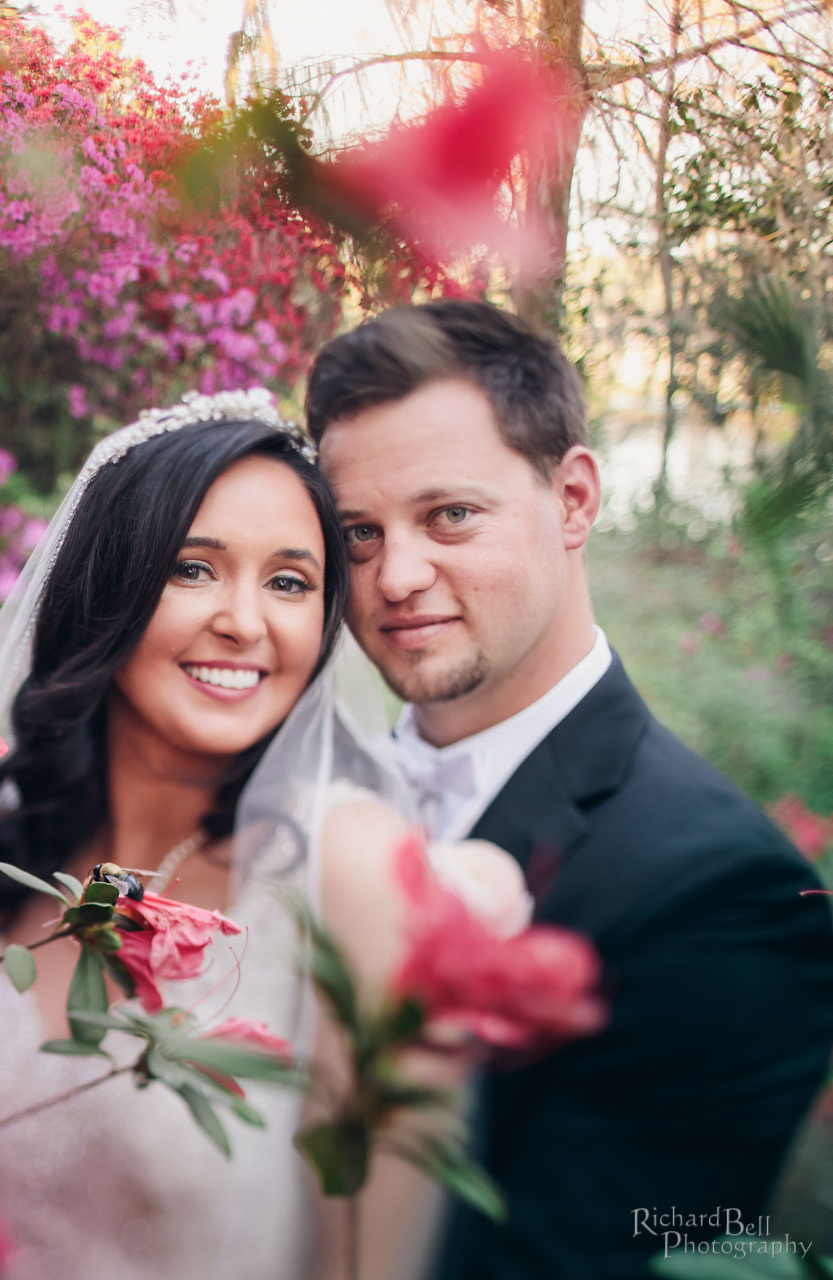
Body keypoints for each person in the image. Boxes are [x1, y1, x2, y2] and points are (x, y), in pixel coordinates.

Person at [304, 298, 833, 1278]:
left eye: (449, 514)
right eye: (359, 533)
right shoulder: (305, 790)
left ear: (575, 498)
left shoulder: (726, 897)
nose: (395, 576)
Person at [0, 389, 362, 1279]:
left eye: (289, 582)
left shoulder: (324, 907)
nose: (245, 622)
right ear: (109, 586)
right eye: (193, 568)